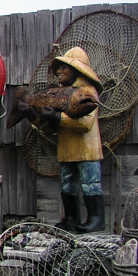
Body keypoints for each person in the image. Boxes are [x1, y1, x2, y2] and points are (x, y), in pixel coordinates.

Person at [38, 47, 104, 232]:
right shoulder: (61, 95)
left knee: (90, 183)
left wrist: (58, 117)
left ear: (77, 70)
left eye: (64, 68)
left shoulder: (87, 92)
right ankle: (72, 219)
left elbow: (85, 124)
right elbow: (50, 127)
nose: (59, 71)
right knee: (67, 184)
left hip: (87, 150)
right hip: (66, 149)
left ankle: (96, 219)